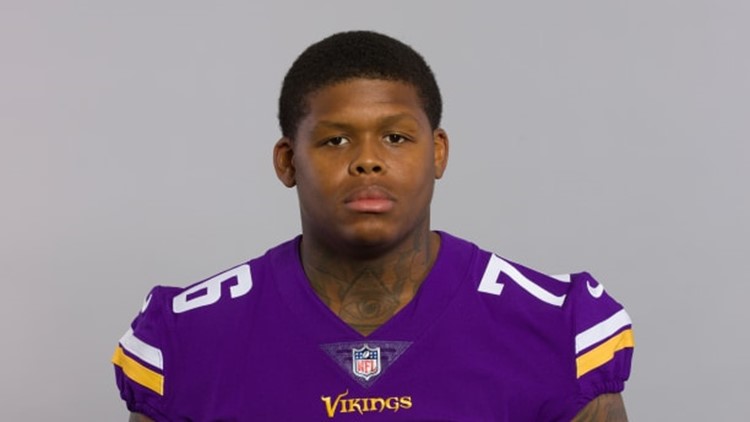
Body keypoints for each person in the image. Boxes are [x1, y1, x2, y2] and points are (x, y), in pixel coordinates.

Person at [113, 31, 634, 421]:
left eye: (396, 137)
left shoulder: (557, 328)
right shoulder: (187, 337)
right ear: (287, 162)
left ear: (438, 152)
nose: (368, 161)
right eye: (335, 140)